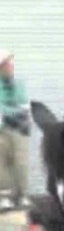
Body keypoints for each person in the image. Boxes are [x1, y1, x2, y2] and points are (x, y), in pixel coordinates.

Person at [0, 50, 30, 210]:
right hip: (1, 129)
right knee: (1, 164)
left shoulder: (18, 84)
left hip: (19, 128)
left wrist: (7, 110)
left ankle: (22, 195)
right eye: (6, 64)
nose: (10, 67)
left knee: (21, 163)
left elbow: (23, 107)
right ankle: (5, 197)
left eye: (11, 64)